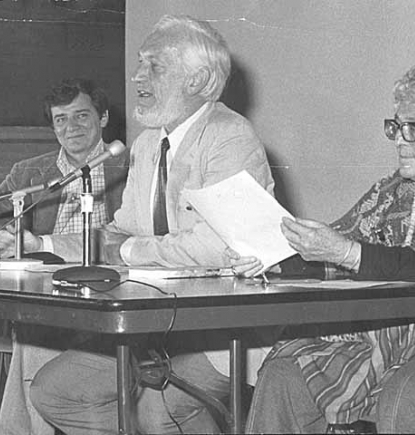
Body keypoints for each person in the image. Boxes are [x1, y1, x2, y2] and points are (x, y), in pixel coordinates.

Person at [230, 63, 415, 434]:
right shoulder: (396, 190)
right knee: (286, 374)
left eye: (412, 129)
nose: (399, 139)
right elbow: (336, 242)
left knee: (410, 392)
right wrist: (269, 259)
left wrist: (343, 252)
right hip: (405, 338)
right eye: (395, 127)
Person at [29, 15, 275, 435]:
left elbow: (216, 246)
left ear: (197, 79)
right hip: (157, 328)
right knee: (56, 389)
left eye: (154, 66)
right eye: (140, 64)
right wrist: (37, 242)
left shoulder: (230, 136)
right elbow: (118, 232)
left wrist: (126, 250)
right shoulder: (146, 144)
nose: (138, 76)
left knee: (159, 411)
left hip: (222, 335)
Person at [0, 78, 130, 435]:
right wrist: (1, 238)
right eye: (61, 119)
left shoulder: (129, 166)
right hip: (52, 292)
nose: (70, 127)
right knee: (37, 326)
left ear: (103, 118)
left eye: (81, 116)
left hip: (115, 290)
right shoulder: (29, 173)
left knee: (35, 335)